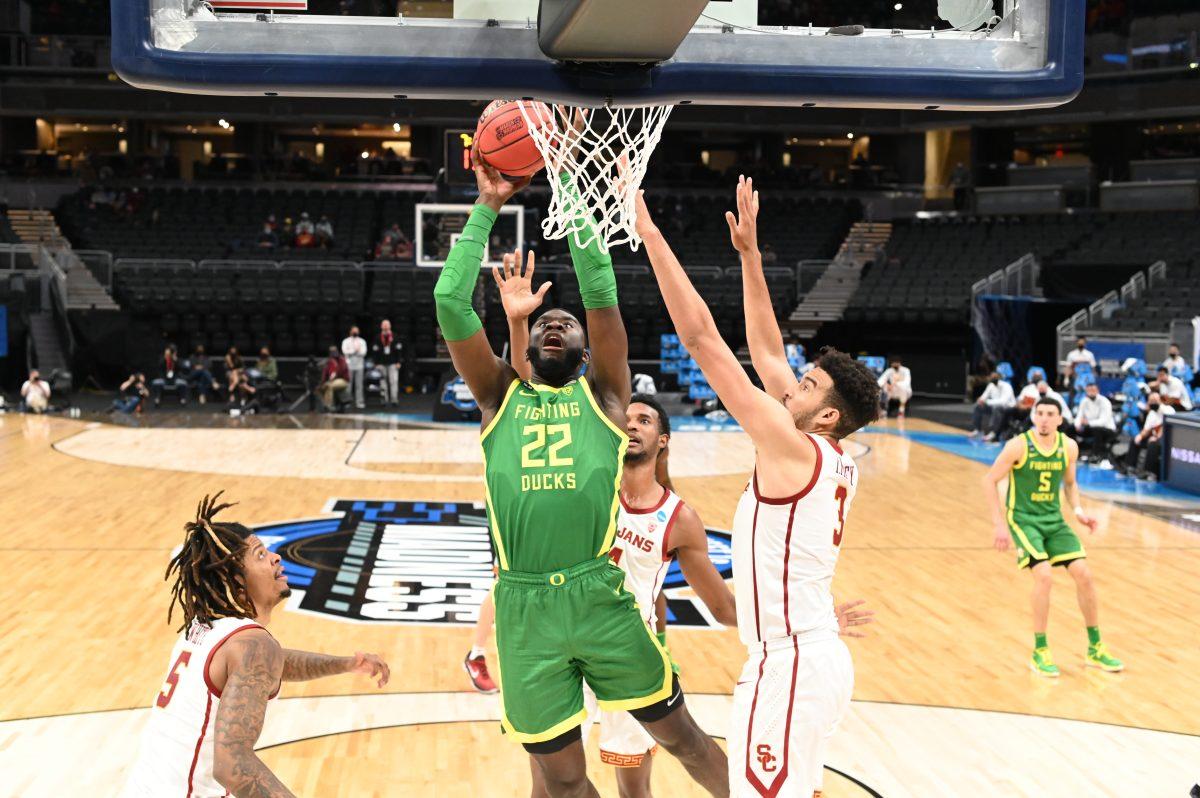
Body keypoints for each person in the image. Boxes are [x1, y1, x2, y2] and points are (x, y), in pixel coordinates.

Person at [434, 152, 728, 797]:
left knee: (683, 737)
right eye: (542, 323)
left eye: (565, 325)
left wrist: (567, 177)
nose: (554, 324)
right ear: (528, 349)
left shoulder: (607, 400)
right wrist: (487, 204)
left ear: (590, 352)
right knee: (562, 783)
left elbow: (599, 288)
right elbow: (448, 300)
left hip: (601, 596)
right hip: (523, 604)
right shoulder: (496, 398)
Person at [636, 176, 882, 798]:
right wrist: (749, 257)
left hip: (792, 663)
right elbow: (767, 350)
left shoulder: (791, 448)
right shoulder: (825, 450)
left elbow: (701, 341)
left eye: (805, 387)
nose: (789, 386)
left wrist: (646, 226)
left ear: (825, 415)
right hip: (804, 655)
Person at [120, 494, 390, 797]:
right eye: (260, 555)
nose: (275, 557)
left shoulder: (205, 629)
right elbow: (232, 764)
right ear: (236, 581)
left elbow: (270, 665)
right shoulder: (252, 646)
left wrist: (344, 664)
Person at [982, 398, 1124, 676]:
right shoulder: (1019, 445)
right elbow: (989, 480)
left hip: (1054, 520)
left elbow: (1070, 485)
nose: (1044, 418)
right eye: (1040, 413)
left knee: (1084, 574)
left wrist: (1080, 512)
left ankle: (1095, 648)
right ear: (1034, 417)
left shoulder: (1068, 447)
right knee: (1044, 576)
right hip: (1024, 520)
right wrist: (998, 524)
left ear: (1060, 419)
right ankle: (1040, 651)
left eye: (1050, 414)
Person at [1122, 393, 1175, 479]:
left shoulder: (1168, 410)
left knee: (1153, 444)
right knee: (1135, 440)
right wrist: (1140, 436)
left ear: (1160, 400)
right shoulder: (1152, 413)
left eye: (1155, 400)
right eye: (1151, 401)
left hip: (1167, 439)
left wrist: (1157, 437)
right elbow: (1146, 430)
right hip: (1154, 437)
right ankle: (1130, 467)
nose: (1153, 403)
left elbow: (1166, 426)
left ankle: (1150, 472)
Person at [1074, 382, 1116, 466]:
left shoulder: (1105, 401)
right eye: (1089, 390)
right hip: (1091, 427)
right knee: (1070, 428)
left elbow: (1103, 421)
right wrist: (1077, 424)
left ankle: (1095, 455)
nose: (1091, 392)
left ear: (1097, 390)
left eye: (1093, 390)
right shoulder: (1084, 401)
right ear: (1086, 391)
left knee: (1097, 429)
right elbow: (1079, 415)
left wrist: (1088, 422)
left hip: (1108, 429)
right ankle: (1074, 453)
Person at [970, 372, 1015, 441]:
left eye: (995, 377)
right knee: (978, 406)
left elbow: (1003, 402)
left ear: (999, 378)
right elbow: (984, 396)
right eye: (992, 377)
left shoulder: (1006, 386)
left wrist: (987, 402)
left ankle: (993, 433)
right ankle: (977, 430)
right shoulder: (990, 385)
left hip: (1008, 407)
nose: (993, 379)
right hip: (993, 406)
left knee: (997, 408)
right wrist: (981, 400)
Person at [372, 320, 403, 406]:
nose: (385, 326)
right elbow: (375, 351)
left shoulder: (395, 336)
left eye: (387, 325)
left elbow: (399, 350)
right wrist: (376, 363)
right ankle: (384, 400)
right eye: (384, 325)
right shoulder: (378, 337)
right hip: (381, 363)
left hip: (393, 363)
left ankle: (394, 400)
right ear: (381, 326)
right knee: (382, 382)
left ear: (390, 326)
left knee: (393, 382)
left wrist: (399, 362)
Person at [341, 325, 367, 410]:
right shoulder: (346, 341)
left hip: (359, 365)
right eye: (353, 331)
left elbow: (363, 353)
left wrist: (352, 352)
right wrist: (355, 350)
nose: (355, 332)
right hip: (349, 365)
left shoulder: (362, 341)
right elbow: (345, 351)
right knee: (348, 385)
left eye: (356, 331)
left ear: (358, 332)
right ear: (350, 332)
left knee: (359, 385)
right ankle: (347, 402)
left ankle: (359, 402)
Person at [318, 346, 351, 411]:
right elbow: (325, 373)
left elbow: (337, 372)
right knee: (319, 389)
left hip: (343, 380)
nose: (333, 353)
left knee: (329, 386)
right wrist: (322, 382)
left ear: (337, 351)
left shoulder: (342, 360)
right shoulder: (329, 361)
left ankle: (329, 406)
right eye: (331, 351)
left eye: (334, 351)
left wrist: (331, 378)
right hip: (332, 381)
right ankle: (326, 404)